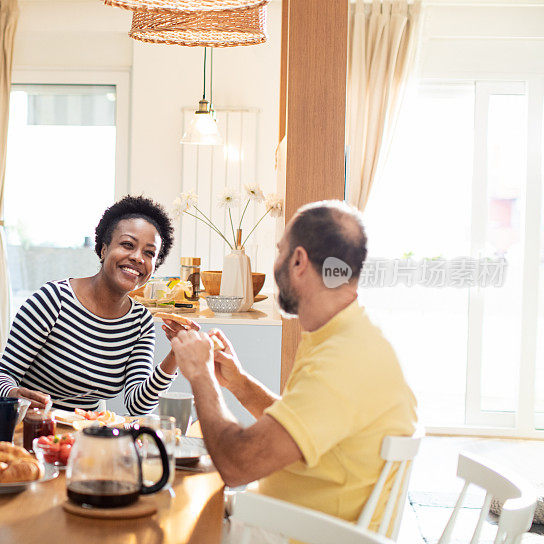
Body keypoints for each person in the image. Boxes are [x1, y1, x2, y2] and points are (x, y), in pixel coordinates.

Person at [169, 200, 417, 527]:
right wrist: (239, 383)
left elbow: (237, 465)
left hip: (291, 534)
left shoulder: (343, 361)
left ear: (298, 260)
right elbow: (297, 426)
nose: (276, 264)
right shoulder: (346, 335)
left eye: (279, 251)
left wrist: (201, 376)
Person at [0, 195, 197, 415]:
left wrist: (175, 354)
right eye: (128, 245)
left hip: (86, 439)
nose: (137, 258)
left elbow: (138, 405)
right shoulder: (53, 300)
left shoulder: (140, 322)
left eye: (149, 253)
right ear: (104, 249)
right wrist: (13, 394)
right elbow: (1, 375)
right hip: (32, 430)